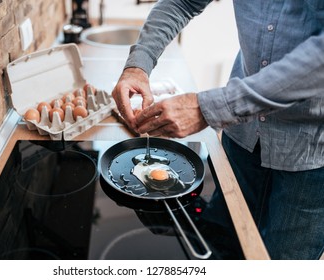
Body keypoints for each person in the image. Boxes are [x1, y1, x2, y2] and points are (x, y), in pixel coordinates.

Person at [112, 0, 324, 260]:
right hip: (243, 134)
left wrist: (210, 108)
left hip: (312, 154)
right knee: (223, 247)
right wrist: (138, 64)